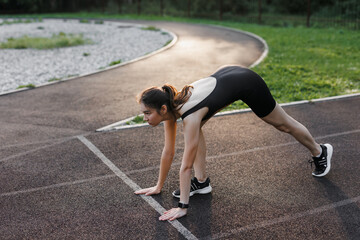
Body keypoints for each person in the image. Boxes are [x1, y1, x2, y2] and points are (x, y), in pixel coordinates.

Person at [134, 65, 333, 221]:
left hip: (247, 82)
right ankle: (202, 182)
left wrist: (182, 207)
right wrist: (158, 186)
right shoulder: (170, 110)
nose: (144, 118)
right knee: (195, 132)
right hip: (227, 76)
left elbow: (185, 166)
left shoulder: (189, 116)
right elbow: (168, 152)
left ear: (161, 108)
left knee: (283, 124)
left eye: (147, 113)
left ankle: (319, 151)